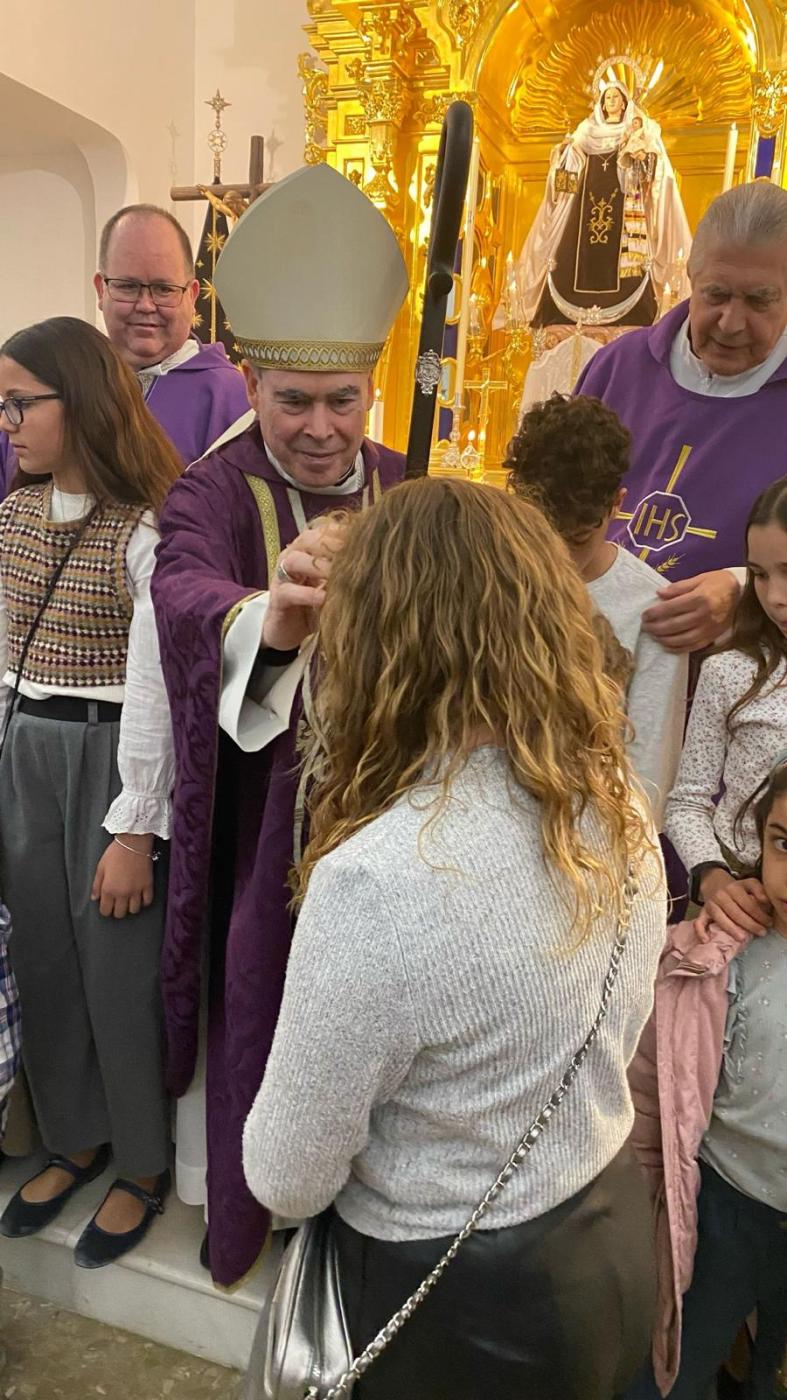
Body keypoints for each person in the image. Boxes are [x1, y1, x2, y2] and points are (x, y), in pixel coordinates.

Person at [241, 478, 667, 1400]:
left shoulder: (380, 880)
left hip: (451, 1295)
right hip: (605, 1236)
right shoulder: (614, 806)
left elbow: (286, 1175)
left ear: (380, 648)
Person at [151, 161, 409, 1286]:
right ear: (250, 381)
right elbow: (182, 591)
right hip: (266, 819)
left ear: (371, 389)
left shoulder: (409, 485)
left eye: (341, 400)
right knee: (266, 1000)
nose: (318, 428)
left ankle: (358, 1202)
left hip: (392, 811)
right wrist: (276, 614)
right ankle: (257, 1202)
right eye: (292, 400)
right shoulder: (210, 491)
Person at [0, 317, 180, 1267]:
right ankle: (74, 1136)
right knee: (42, 954)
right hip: (24, 751)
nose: (8, 424)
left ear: (79, 400)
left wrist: (135, 829)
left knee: (117, 970)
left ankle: (142, 1161)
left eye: (20, 404)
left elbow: (155, 689)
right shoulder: (15, 517)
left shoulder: (142, 528)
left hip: (107, 758)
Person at [626, 757, 787, 1399]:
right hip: (724, 1208)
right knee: (668, 1374)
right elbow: (652, 1095)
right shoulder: (718, 954)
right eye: (783, 842)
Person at [574, 180, 787, 655]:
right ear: (691, 273)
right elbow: (551, 505)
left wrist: (745, 587)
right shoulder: (617, 367)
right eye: (716, 294)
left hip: (740, 671)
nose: (731, 322)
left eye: (759, 300)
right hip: (588, 655)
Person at [507, 392, 687, 826]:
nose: (557, 558)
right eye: (540, 531)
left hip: (596, 830)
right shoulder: (489, 578)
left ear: (617, 503)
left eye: (577, 539)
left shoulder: (653, 605)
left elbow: (647, 774)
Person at [0, 204, 249, 492]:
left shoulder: (233, 399)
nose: (145, 305)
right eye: (128, 286)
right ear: (101, 290)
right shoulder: (57, 388)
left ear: (192, 296)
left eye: (164, 289)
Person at [664, 475, 787, 942]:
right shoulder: (730, 671)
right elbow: (686, 801)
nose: (774, 597)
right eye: (759, 574)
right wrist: (711, 878)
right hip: (736, 908)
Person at [509, 68, 689, 329]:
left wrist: (641, 157)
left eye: (616, 97)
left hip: (625, 208)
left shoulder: (637, 131)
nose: (611, 101)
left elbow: (653, 174)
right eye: (607, 98)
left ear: (624, 103)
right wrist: (563, 154)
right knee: (570, 256)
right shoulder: (585, 132)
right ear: (602, 104)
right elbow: (566, 177)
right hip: (583, 209)